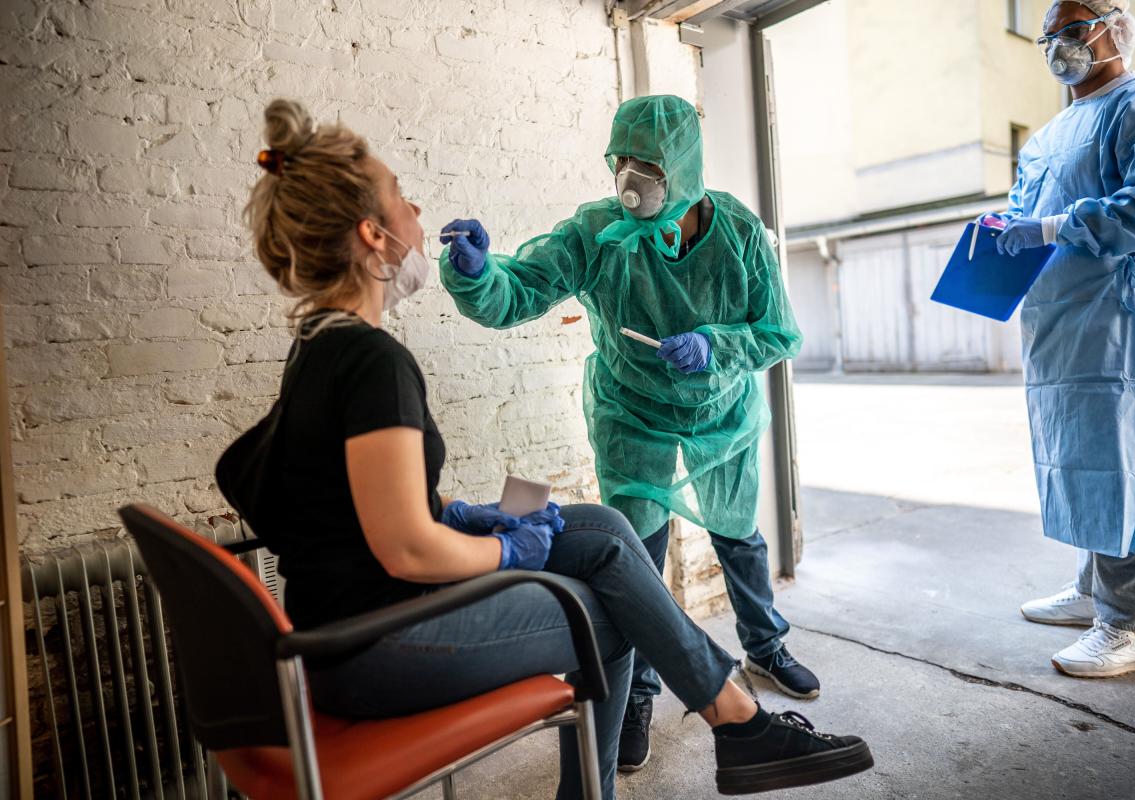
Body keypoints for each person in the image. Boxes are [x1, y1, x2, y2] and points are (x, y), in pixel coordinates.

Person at [219, 98, 873, 800]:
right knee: (615, 609)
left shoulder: (319, 347)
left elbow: (351, 504)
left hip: (347, 627)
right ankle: (731, 723)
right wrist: (506, 549)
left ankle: (744, 698)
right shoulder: (376, 361)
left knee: (611, 532)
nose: (418, 209)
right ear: (373, 235)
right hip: (377, 641)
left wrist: (459, 513)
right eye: (402, 197)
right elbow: (406, 550)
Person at [438, 94, 814, 772]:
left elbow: (778, 332)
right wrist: (479, 275)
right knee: (637, 555)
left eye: (650, 165)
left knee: (738, 533)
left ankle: (765, 645)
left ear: (684, 168)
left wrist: (717, 344)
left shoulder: (737, 231)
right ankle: (639, 694)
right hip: (632, 412)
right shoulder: (598, 232)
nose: (631, 178)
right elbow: (520, 290)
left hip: (720, 411)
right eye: (623, 161)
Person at [990, 0, 1135, 677]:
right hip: (1056, 321)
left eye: (1074, 29)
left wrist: (1054, 227)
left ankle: (1129, 626)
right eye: (1049, 36)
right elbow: (1024, 216)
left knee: (1124, 462)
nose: (1060, 44)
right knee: (1081, 461)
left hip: (1115, 318)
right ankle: (1092, 591)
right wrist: (1002, 234)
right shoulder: (1047, 135)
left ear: (1116, 27)